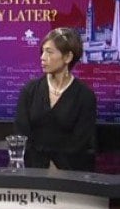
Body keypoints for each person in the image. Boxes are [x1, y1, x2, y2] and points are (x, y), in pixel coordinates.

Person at [14, 27, 97, 171]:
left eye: (49, 52)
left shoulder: (85, 96)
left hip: (70, 173)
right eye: (43, 51)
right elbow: (21, 135)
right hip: (33, 171)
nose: (42, 57)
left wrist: (57, 168)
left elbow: (81, 143)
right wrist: (40, 168)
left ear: (68, 57)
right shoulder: (30, 90)